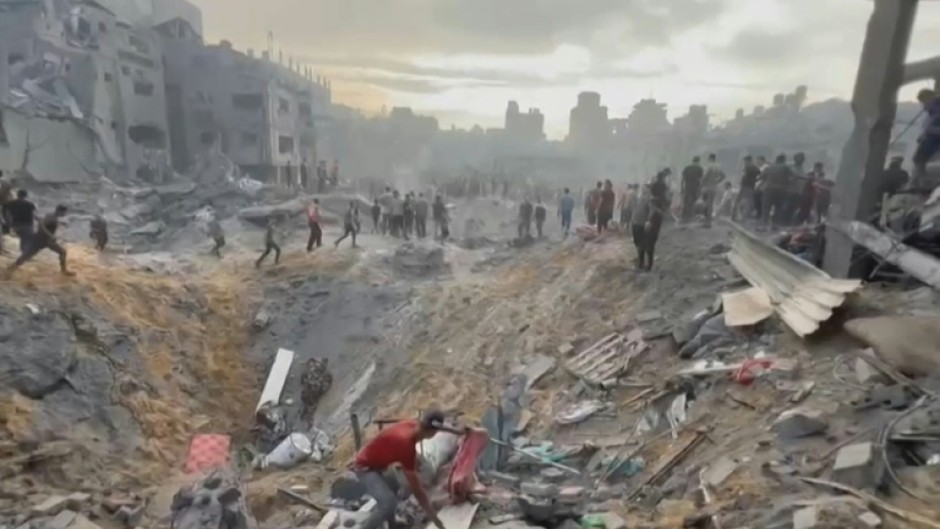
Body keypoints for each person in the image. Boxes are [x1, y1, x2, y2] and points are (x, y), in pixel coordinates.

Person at [353, 411, 463, 529]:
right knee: (387, 504)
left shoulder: (413, 424)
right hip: (365, 468)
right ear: (433, 434)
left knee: (393, 492)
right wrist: (436, 520)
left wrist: (456, 431)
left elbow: (435, 426)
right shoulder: (406, 446)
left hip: (376, 461)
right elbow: (418, 491)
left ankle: (393, 525)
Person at [6, 204, 72, 277]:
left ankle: (63, 271)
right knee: (26, 257)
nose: (64, 214)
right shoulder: (51, 217)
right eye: (64, 212)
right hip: (39, 240)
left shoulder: (53, 216)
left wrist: (60, 223)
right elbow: (41, 226)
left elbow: (45, 222)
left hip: (47, 241)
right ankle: (10, 269)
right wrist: (50, 234)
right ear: (59, 211)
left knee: (62, 252)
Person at [913, 88, 940, 187]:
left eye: (924, 101)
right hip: (932, 137)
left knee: (918, 159)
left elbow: (932, 125)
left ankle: (923, 183)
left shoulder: (937, 108)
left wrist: (931, 130)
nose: (924, 105)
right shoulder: (933, 110)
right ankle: (921, 182)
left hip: (934, 137)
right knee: (918, 159)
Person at [760, 154, 793, 229]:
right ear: (784, 160)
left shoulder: (769, 168)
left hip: (768, 190)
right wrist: (787, 183)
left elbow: (762, 177)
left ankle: (764, 225)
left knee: (766, 208)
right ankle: (774, 225)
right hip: (781, 190)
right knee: (778, 208)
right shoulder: (785, 167)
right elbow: (792, 178)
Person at [732, 156, 760, 222]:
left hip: (745, 186)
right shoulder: (755, 167)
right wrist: (754, 180)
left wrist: (741, 181)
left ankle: (734, 217)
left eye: (744, 161)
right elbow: (759, 175)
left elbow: (744, 176)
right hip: (751, 186)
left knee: (738, 201)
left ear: (748, 161)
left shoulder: (747, 167)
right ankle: (744, 218)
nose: (744, 162)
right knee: (749, 202)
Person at [701, 153, 726, 226]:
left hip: (706, 188)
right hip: (714, 188)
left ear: (709, 158)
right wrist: (716, 181)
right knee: (710, 204)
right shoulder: (718, 167)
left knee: (705, 204)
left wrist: (701, 185)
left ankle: (706, 222)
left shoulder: (708, 167)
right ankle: (709, 222)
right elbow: (723, 176)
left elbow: (704, 177)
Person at [681, 156, 704, 223]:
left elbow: (683, 179)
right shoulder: (699, 168)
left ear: (692, 160)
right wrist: (700, 188)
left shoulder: (687, 168)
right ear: (698, 161)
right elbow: (700, 180)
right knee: (694, 202)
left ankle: (684, 217)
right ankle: (691, 216)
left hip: (687, 187)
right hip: (695, 188)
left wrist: (682, 188)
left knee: (685, 202)